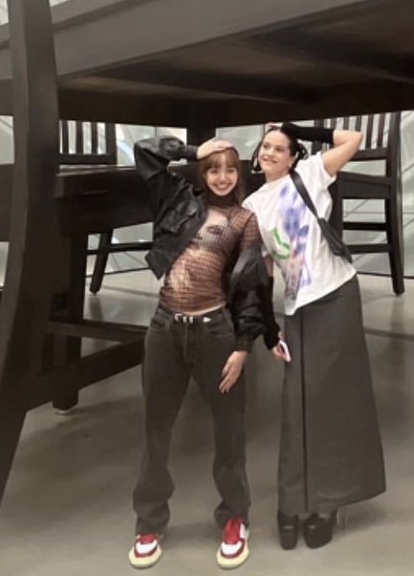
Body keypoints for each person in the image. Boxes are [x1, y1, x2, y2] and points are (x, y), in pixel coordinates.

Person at [128, 135, 282, 570]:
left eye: (230, 169)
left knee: (229, 431)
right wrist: (190, 150)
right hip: (165, 329)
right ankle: (149, 521)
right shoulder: (177, 199)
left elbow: (251, 289)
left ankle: (235, 517)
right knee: (156, 430)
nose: (222, 176)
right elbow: (145, 153)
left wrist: (243, 347)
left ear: (239, 173)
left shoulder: (244, 220)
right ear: (202, 172)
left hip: (216, 333)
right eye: (213, 168)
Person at [243, 121, 386, 550]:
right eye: (265, 146)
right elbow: (264, 270)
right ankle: (291, 503)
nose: (269, 152)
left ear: (293, 157)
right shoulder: (252, 204)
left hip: (336, 294)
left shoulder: (310, 173)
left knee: (334, 401)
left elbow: (353, 140)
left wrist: (297, 128)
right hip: (297, 308)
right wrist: (268, 329)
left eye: (279, 147)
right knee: (296, 404)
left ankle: (326, 503)